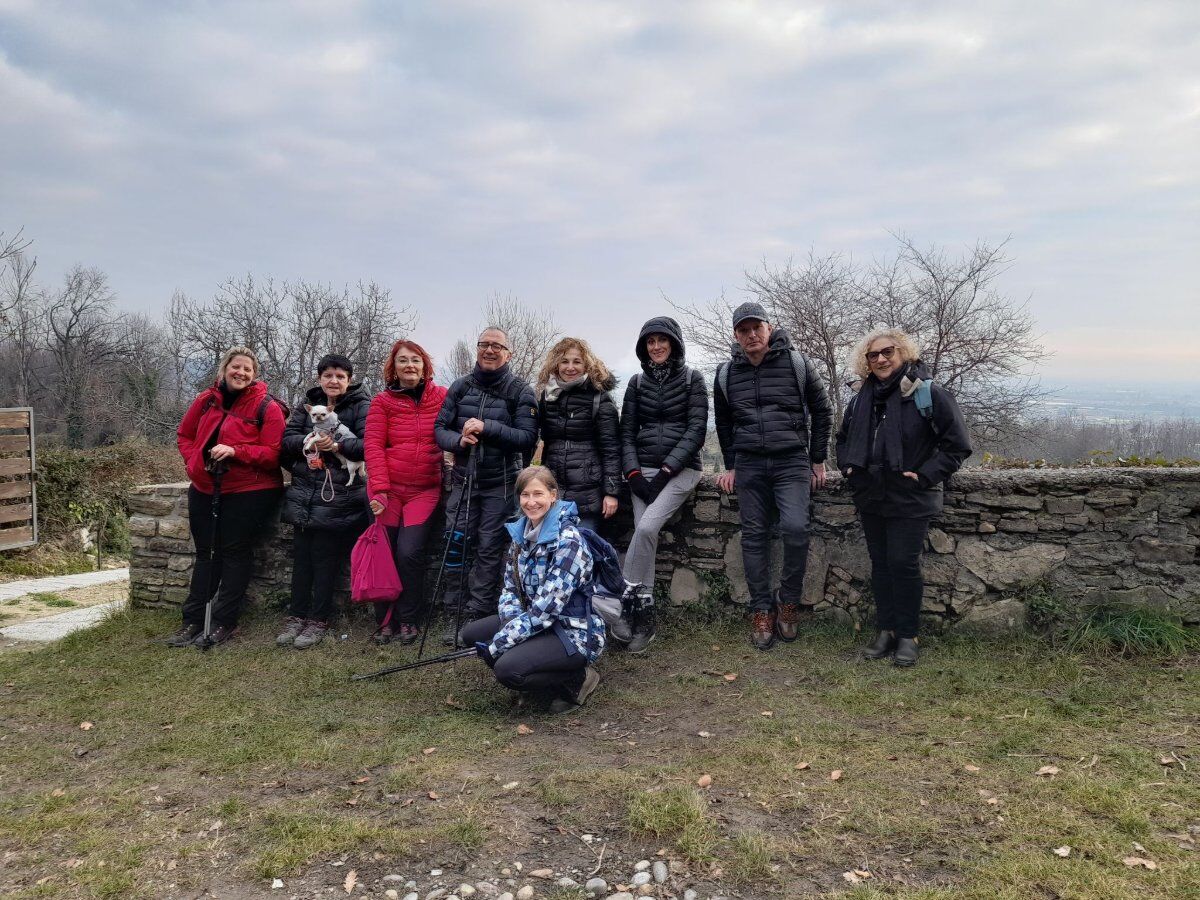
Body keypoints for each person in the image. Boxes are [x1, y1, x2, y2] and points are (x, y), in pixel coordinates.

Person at [835, 328, 971, 667]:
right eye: (873, 355)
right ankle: (886, 630)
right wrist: (848, 468)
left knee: (903, 564)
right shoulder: (861, 398)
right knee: (881, 565)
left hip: (911, 495)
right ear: (865, 362)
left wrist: (925, 474)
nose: (880, 359)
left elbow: (957, 445)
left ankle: (908, 635)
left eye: (887, 352)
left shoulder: (928, 393)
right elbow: (843, 439)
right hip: (871, 493)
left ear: (903, 353)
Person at [714, 302, 833, 651]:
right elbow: (723, 423)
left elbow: (822, 410)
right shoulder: (725, 373)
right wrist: (731, 464)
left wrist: (818, 459)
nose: (751, 335)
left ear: (769, 328)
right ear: (736, 335)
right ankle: (762, 610)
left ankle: (789, 604)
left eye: (757, 328)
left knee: (796, 528)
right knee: (753, 536)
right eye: (744, 330)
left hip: (791, 462)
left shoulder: (797, 363)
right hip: (750, 464)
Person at [167, 346, 286, 648]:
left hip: (250, 489)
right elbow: (185, 435)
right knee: (206, 551)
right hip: (205, 486)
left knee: (234, 552)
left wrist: (236, 451)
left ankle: (223, 621)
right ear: (224, 369)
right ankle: (192, 620)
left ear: (255, 375)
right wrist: (193, 461)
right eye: (236, 367)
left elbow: (274, 455)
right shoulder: (206, 401)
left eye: (248, 369)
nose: (241, 373)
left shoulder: (267, 407)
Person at [460, 466, 605, 712]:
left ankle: (577, 678)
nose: (531, 502)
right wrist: (511, 622)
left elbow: (546, 610)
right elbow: (510, 589)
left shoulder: (569, 542)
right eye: (525, 495)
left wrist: (503, 641)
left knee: (506, 669)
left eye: (538, 494)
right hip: (535, 623)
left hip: (573, 632)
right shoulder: (521, 534)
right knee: (471, 636)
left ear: (553, 495)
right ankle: (533, 664)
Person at [434, 327, 538, 643]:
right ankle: (452, 612)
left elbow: (527, 439)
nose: (489, 350)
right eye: (484, 345)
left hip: (501, 484)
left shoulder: (520, 391)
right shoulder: (460, 387)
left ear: (509, 353)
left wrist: (487, 428)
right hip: (463, 480)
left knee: (490, 549)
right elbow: (439, 429)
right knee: (456, 542)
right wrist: (459, 440)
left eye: (497, 346)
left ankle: (476, 618)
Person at [615, 316, 708, 653]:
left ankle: (626, 604)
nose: (656, 347)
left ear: (674, 343)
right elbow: (625, 434)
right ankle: (645, 617)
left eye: (661, 340)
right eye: (650, 342)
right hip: (643, 472)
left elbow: (696, 430)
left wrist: (667, 471)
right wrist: (633, 474)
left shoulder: (693, 380)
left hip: (681, 471)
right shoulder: (636, 383)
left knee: (645, 529)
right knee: (646, 533)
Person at [275, 353, 370, 650]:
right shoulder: (307, 408)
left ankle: (318, 618)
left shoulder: (361, 406)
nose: (334, 381)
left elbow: (367, 444)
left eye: (340, 376)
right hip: (305, 492)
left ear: (349, 380)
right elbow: (287, 442)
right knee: (301, 558)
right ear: (320, 378)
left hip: (339, 494)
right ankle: (296, 615)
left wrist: (337, 445)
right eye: (328, 375)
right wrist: (312, 444)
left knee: (325, 558)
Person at [362, 340, 449, 644]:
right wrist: (381, 489)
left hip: (424, 490)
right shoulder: (382, 402)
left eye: (415, 360)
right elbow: (372, 446)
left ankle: (409, 618)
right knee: (383, 553)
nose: (409, 365)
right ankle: (386, 620)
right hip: (387, 491)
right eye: (402, 361)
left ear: (425, 365)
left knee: (409, 553)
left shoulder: (442, 397)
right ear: (393, 367)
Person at [535, 337, 621, 532]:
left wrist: (612, 492)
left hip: (588, 492)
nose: (570, 367)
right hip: (554, 489)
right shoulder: (548, 397)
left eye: (577, 361)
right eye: (564, 361)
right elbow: (544, 441)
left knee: (584, 550)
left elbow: (611, 450)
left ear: (587, 365)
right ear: (556, 365)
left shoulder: (599, 398)